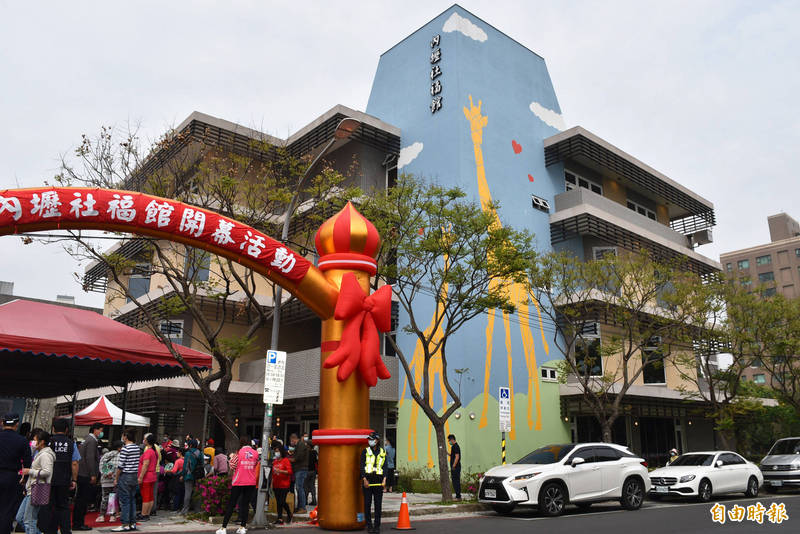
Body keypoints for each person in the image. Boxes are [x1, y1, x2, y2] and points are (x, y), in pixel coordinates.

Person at [39, 418, 78, 534]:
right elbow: (75, 463)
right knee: (63, 506)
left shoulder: (48, 442)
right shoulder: (71, 443)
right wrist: (74, 479)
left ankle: (49, 530)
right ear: (67, 430)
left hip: (47, 479)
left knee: (48, 506)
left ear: (53, 429)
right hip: (64, 479)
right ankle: (66, 530)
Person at [215, 436, 258, 534]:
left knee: (232, 504)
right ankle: (243, 527)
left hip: (239, 481)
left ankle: (223, 528)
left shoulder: (238, 453)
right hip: (251, 482)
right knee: (245, 505)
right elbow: (255, 464)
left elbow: (232, 465)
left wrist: (231, 457)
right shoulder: (255, 453)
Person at [0, 413, 32, 534]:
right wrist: (25, 479)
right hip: (11, 477)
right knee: (7, 509)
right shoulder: (22, 440)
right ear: (17, 424)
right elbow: (28, 463)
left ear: (3, 423)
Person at [21, 431, 54, 534]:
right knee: (21, 518)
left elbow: (47, 472)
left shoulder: (45, 455)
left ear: (42, 442)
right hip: (31, 488)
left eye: (35, 440)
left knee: (29, 520)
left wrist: (29, 471)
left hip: (37, 488)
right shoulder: (39, 453)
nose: (33, 443)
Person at [73, 423, 103, 530]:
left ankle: (78, 522)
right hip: (86, 474)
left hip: (83, 473)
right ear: (95, 430)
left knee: (81, 499)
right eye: (100, 430)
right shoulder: (92, 441)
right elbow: (90, 458)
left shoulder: (88, 440)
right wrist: (93, 474)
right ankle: (78, 523)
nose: (101, 432)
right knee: (82, 500)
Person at [112, 429, 141, 532]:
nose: (122, 438)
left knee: (125, 501)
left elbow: (120, 466)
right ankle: (132, 523)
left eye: (123, 436)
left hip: (125, 476)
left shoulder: (125, 449)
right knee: (132, 499)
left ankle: (125, 524)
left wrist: (116, 478)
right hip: (134, 476)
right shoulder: (137, 448)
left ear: (126, 437)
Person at [360, 431, 386, 534]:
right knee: (367, 504)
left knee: (378, 505)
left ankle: (377, 526)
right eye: (369, 439)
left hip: (378, 482)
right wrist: (364, 479)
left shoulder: (382, 452)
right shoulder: (365, 451)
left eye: (371, 439)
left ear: (377, 440)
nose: (369, 441)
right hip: (368, 481)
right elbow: (362, 466)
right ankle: (369, 525)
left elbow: (385, 467)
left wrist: (384, 479)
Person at [96, 441, 121, 523]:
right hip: (114, 480)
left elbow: (100, 466)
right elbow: (119, 468)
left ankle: (101, 516)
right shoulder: (119, 455)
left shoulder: (105, 455)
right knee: (112, 498)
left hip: (105, 480)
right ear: (119, 448)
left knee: (104, 498)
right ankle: (112, 516)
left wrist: (106, 473)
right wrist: (113, 476)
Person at [270, 443, 293, 525]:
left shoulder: (285, 460)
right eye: (275, 451)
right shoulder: (275, 461)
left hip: (284, 484)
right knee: (278, 502)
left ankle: (289, 513)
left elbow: (290, 472)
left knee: (282, 501)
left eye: (277, 451)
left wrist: (280, 471)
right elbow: (273, 474)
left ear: (281, 452)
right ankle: (279, 518)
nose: (276, 453)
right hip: (276, 484)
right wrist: (271, 484)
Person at [137, 434, 158, 521]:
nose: (143, 440)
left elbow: (145, 465)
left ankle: (144, 514)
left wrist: (140, 477)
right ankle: (147, 513)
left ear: (147, 441)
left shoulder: (148, 452)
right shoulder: (154, 451)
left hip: (147, 477)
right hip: (152, 476)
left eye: (145, 439)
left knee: (145, 497)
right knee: (150, 496)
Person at [179, 439, 203, 515]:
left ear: (191, 445)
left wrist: (182, 475)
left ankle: (185, 510)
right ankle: (197, 510)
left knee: (188, 492)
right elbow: (202, 464)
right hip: (198, 475)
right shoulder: (200, 453)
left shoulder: (188, 454)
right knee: (197, 493)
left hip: (189, 475)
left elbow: (185, 466)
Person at [288, 433, 308, 512]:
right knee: (299, 488)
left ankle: (302, 507)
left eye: (291, 441)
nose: (291, 443)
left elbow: (297, 458)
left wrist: (289, 459)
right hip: (299, 469)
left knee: (299, 488)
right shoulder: (299, 445)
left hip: (301, 469)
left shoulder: (301, 445)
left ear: (293, 439)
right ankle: (300, 507)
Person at [448, 434, 461, 500]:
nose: (449, 442)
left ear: (452, 439)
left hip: (455, 467)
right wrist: (448, 454)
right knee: (454, 481)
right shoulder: (454, 446)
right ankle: (457, 495)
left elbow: (457, 457)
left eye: (449, 440)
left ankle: (458, 496)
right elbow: (453, 455)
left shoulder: (455, 446)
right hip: (455, 466)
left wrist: (453, 466)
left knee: (456, 481)